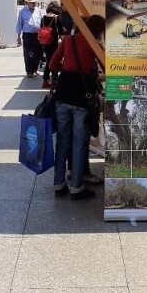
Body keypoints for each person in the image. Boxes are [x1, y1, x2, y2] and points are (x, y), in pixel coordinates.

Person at [49, 15, 105, 200]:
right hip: (82, 96)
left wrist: (68, 66)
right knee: (80, 144)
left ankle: (59, 184)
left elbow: (52, 64)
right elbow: (108, 65)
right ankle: (77, 187)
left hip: (63, 93)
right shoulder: (93, 43)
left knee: (63, 141)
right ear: (98, 30)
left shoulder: (68, 40)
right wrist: (92, 75)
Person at [16, 0, 42, 78]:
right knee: (28, 53)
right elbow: (19, 24)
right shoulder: (22, 12)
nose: (33, 4)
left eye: (34, 2)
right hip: (27, 35)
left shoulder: (38, 10)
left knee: (38, 52)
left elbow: (41, 22)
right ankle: (29, 71)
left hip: (37, 34)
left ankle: (35, 68)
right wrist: (18, 36)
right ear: (27, 3)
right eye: (31, 3)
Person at [39, 1, 64, 89]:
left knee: (48, 61)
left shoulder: (43, 18)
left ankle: (45, 81)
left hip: (45, 43)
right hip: (54, 43)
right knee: (55, 62)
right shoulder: (57, 18)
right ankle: (54, 82)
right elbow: (61, 32)